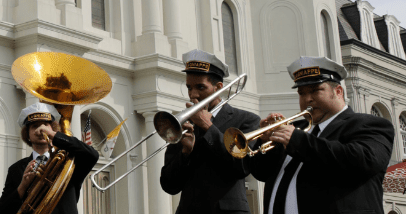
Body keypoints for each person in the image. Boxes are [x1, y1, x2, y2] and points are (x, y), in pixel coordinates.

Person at [250, 56, 394, 214]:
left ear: (338, 92)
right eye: (301, 93)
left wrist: (298, 141)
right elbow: (261, 173)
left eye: (315, 90)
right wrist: (263, 140)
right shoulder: (295, 129)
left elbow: (364, 161)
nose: (307, 99)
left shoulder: (369, 124)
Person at [159, 50, 260, 214]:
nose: (193, 94)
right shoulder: (183, 124)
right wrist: (185, 152)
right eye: (189, 87)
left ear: (218, 87)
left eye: (200, 87)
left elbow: (242, 167)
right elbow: (169, 185)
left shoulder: (246, 120)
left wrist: (208, 127)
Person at [0, 103, 98, 214]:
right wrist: (22, 186)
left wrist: (55, 136)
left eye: (45, 125)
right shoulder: (16, 169)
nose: (41, 129)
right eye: (35, 126)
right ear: (28, 135)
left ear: (53, 129)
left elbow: (92, 155)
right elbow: (1, 211)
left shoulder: (69, 162)